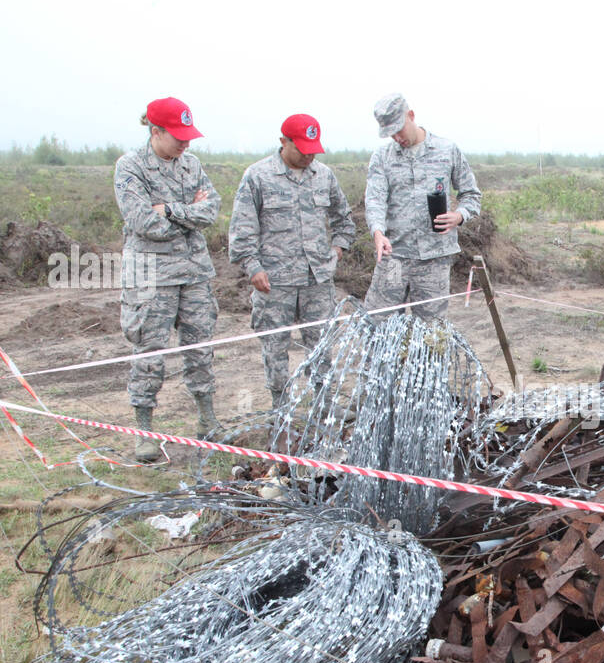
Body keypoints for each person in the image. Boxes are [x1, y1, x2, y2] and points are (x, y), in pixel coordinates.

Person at [113, 96, 221, 462]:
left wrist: (173, 210)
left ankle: (207, 419)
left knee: (200, 348)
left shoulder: (191, 164)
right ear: (155, 131)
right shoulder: (130, 168)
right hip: (152, 278)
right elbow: (145, 223)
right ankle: (144, 432)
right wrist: (189, 216)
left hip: (194, 274)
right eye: (178, 136)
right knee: (149, 352)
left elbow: (212, 210)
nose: (186, 143)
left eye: (188, 136)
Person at [229, 114, 356, 406]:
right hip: (274, 283)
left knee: (322, 345)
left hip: (317, 281)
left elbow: (344, 218)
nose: (309, 156)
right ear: (283, 142)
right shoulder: (257, 176)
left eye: (313, 150)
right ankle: (280, 408)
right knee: (275, 348)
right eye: (302, 149)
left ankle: (326, 407)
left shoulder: (323, 175)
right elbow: (242, 229)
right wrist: (253, 267)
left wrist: (338, 249)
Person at [364, 94, 481, 320]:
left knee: (430, 333)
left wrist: (459, 216)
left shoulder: (447, 150)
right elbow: (375, 199)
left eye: (399, 129)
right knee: (379, 325)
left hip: (433, 261)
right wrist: (377, 232)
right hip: (394, 259)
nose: (397, 138)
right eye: (391, 134)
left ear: (411, 116)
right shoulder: (382, 157)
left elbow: (471, 195)